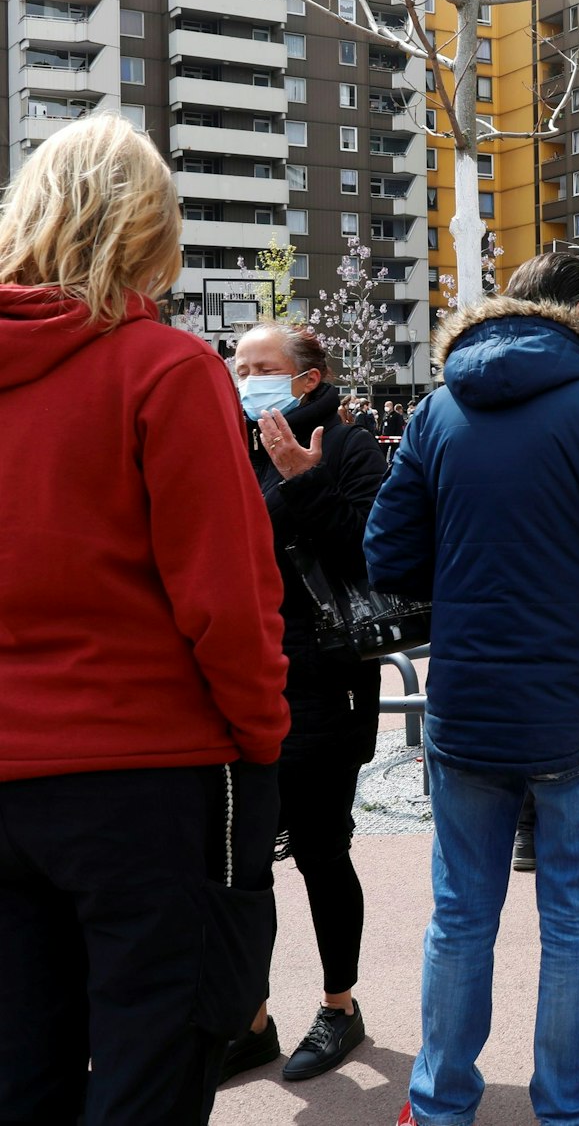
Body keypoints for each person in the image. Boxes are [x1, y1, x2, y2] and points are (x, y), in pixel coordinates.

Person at [0, 114, 289, 1124]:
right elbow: (228, 598)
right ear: (148, 229)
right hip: (146, 772)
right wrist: (261, 739)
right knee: (153, 1062)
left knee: (19, 1066)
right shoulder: (161, 367)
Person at [366, 252, 579, 1126]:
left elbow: (388, 556)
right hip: (577, 700)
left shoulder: (438, 410)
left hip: (467, 696)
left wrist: (474, 580)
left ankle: (438, 1106)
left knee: (460, 915)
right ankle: (574, 1109)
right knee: (576, 916)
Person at [220, 323, 388, 1086]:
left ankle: (340, 1006)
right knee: (241, 863)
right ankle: (250, 1021)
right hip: (237, 678)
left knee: (322, 851)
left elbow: (375, 555)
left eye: (262, 367)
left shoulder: (350, 448)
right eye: (239, 363)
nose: (244, 376)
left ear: (308, 380)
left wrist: (304, 481)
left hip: (323, 682)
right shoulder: (225, 442)